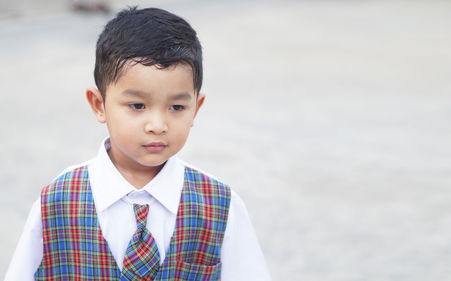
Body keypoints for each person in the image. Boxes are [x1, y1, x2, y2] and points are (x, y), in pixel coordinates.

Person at [5, 7, 271, 281]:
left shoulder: (220, 206)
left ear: (196, 109)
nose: (157, 124)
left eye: (177, 106)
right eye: (137, 105)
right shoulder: (57, 202)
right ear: (99, 105)